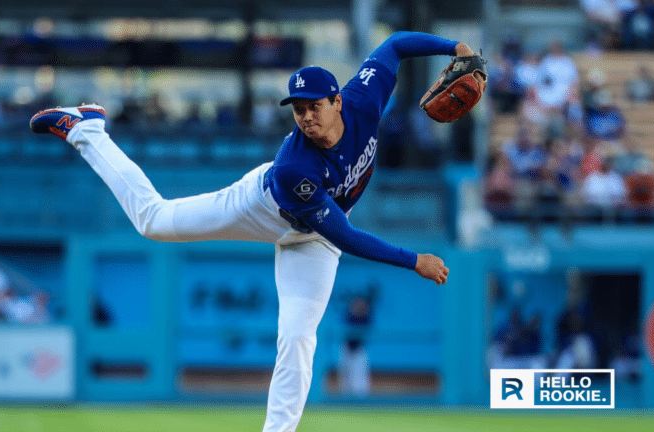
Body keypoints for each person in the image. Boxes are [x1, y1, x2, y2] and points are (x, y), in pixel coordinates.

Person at [30, 31, 474, 432]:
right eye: (298, 110)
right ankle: (88, 130)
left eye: (314, 107)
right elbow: (346, 237)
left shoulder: (364, 97)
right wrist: (413, 260)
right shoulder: (294, 168)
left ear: (337, 101)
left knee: (298, 337)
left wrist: (453, 46)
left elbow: (395, 44)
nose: (305, 117)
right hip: (264, 207)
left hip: (315, 239)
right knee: (153, 222)